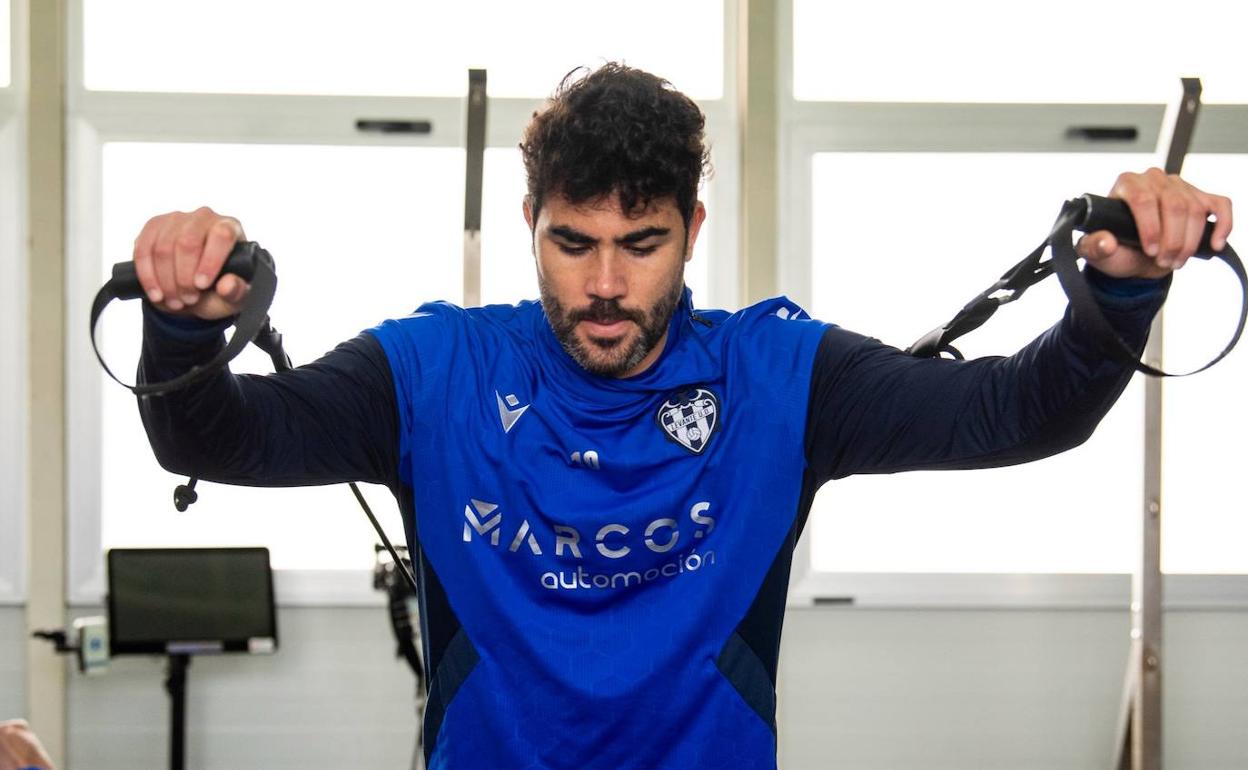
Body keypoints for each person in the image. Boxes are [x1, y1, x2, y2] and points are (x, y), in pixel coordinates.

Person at [130, 64, 1232, 769]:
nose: (605, 283)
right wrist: (182, 324)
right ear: (531, 223)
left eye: (641, 242)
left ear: (693, 228)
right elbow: (217, 437)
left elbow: (1015, 412)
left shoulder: (778, 377)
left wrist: (1122, 287)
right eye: (573, 242)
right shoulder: (435, 371)